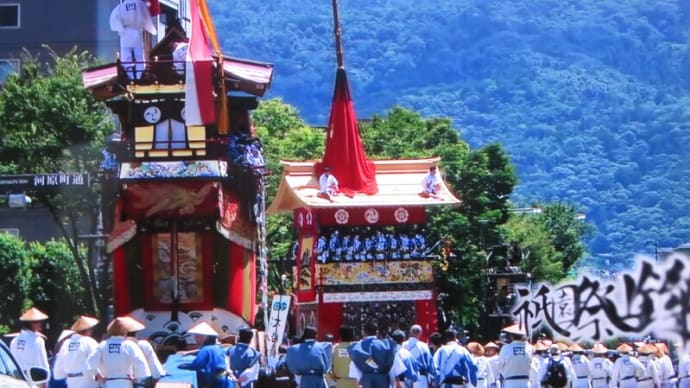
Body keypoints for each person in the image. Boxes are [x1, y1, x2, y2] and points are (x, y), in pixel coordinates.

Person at [88, 316, 151, 388]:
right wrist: (137, 378)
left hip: (108, 382)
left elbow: (90, 362)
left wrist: (97, 374)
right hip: (125, 382)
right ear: (125, 331)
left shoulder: (103, 345)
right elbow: (140, 363)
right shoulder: (129, 344)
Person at [109, 0, 157, 79]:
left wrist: (120, 29)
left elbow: (114, 18)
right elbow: (146, 16)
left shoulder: (121, 6)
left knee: (126, 57)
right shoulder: (140, 3)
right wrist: (151, 29)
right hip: (137, 32)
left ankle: (130, 76)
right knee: (139, 57)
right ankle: (138, 76)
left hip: (126, 33)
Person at [177, 321, 230, 388]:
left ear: (205, 337)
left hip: (215, 382)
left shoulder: (205, 350)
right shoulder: (216, 348)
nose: (195, 338)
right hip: (223, 379)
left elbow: (196, 365)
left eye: (197, 336)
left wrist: (183, 366)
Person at [53, 315, 100, 388]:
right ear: (88, 330)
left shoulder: (66, 343)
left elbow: (58, 368)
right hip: (88, 382)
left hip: (71, 382)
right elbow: (97, 360)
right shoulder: (89, 342)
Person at [348, 321, 396, 388]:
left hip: (366, 380)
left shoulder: (357, 347)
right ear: (377, 332)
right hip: (382, 379)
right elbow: (392, 366)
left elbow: (355, 369)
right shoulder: (387, 345)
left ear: (364, 332)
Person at [10, 307, 50, 382]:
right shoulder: (37, 340)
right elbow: (42, 364)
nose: (40, 323)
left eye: (41, 321)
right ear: (28, 323)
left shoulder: (14, 341)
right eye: (36, 322)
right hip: (32, 379)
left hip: (15, 379)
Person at [496, 324, 534, 388]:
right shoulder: (529, 348)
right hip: (525, 382)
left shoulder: (506, 348)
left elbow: (500, 365)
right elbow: (531, 365)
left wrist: (506, 374)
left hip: (510, 382)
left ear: (511, 336)